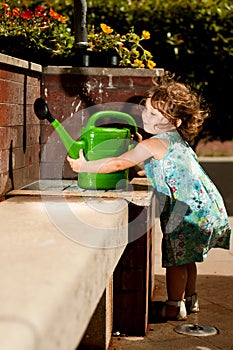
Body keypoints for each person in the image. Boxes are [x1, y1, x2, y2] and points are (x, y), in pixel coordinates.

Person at [67, 72, 231, 321]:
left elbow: (118, 163)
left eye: (155, 114)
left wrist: (84, 167)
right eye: (146, 109)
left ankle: (174, 307)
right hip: (208, 210)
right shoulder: (177, 142)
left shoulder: (154, 145)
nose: (146, 115)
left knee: (176, 262)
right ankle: (191, 299)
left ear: (175, 122)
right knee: (188, 258)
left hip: (186, 215)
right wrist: (142, 146)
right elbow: (156, 166)